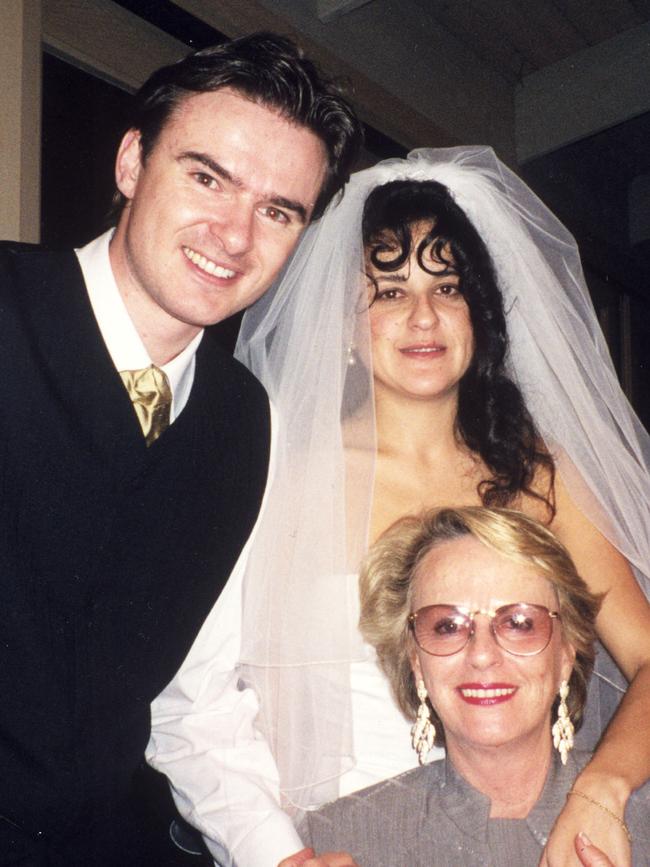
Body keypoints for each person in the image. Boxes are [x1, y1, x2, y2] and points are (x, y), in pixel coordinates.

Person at [148, 148, 650, 866]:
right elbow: (192, 702)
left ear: (479, 314)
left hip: (534, 834)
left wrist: (602, 786)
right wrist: (277, 853)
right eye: (387, 292)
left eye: (447, 287)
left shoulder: (541, 477)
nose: (423, 315)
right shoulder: (273, 473)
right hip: (332, 847)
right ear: (344, 326)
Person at [0, 32, 361, 866]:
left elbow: (191, 699)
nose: (234, 235)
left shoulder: (244, 423)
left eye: (278, 211)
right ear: (132, 164)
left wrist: (281, 855)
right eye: (207, 177)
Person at [299, 506, 650, 865]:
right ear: (416, 663)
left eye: (518, 623)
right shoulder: (337, 837)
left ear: (565, 656)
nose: (482, 655)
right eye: (447, 626)